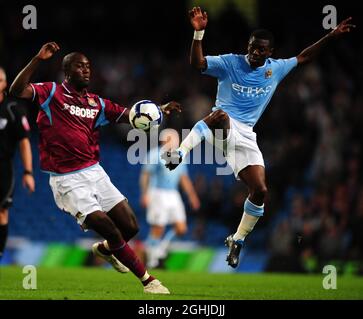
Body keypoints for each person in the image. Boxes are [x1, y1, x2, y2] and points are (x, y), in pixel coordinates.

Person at [162, 7, 355, 268]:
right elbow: (198, 64)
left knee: (261, 190)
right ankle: (180, 154)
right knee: (219, 115)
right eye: (252, 47)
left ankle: (237, 239)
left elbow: (304, 57)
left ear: (270, 52)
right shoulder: (230, 62)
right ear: (248, 46)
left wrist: (331, 36)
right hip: (222, 126)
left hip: (246, 137)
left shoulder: (275, 69)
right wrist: (198, 33)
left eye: (261, 49)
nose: (255, 52)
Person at [9, 43, 181, 294]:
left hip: (95, 172)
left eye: (88, 66)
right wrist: (37, 59)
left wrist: (159, 110)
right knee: (109, 228)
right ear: (67, 72)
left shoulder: (96, 103)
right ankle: (148, 281)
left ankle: (104, 250)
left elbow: (130, 115)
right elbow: (16, 90)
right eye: (80, 66)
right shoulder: (51, 93)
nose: (86, 70)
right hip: (67, 180)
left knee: (130, 227)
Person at [140, 129, 200, 268]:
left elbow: (183, 178)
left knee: (181, 228)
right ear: (166, 139)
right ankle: (152, 260)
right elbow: (145, 175)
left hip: (173, 194)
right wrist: (145, 194)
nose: (178, 141)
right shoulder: (155, 154)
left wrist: (192, 196)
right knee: (158, 228)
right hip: (157, 193)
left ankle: (158, 250)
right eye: (175, 138)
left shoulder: (178, 155)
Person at [0, 67, 35, 262]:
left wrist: (28, 172)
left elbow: (24, 142)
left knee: (2, 212)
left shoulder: (13, 109)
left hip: (3, 168)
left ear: (5, 84)